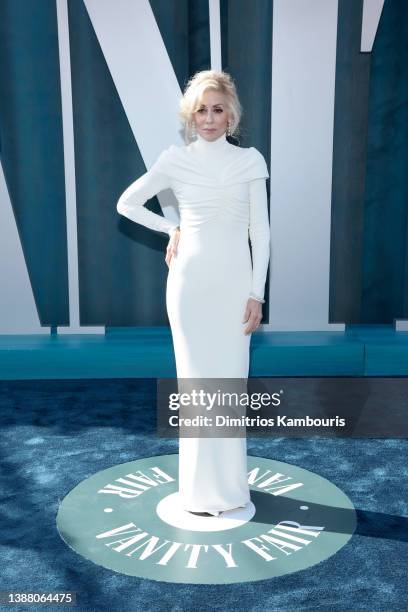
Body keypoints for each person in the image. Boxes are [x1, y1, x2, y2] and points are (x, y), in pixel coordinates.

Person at [116, 70, 270, 517]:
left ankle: (228, 490)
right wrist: (172, 228)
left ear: (230, 115)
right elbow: (126, 203)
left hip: (235, 288)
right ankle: (199, 493)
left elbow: (259, 232)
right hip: (188, 287)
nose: (208, 117)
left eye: (217, 109)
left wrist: (256, 293)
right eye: (201, 109)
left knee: (230, 386)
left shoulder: (250, 162)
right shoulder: (174, 160)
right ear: (191, 115)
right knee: (196, 386)